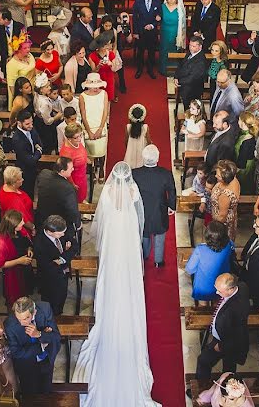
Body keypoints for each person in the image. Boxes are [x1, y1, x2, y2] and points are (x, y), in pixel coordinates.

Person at [72, 162, 158, 406]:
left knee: (110, 272)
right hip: (127, 239)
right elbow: (139, 220)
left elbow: (100, 222)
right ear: (128, 178)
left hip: (113, 239)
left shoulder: (108, 193)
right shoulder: (133, 192)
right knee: (128, 275)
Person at [195, 273, 250, 381]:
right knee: (229, 366)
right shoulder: (242, 286)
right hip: (223, 335)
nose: (217, 292)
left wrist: (221, 345)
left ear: (231, 289)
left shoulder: (236, 309)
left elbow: (238, 334)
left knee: (205, 361)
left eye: (220, 291)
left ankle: (204, 386)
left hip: (226, 342)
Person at [5, 296, 61, 396]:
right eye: (19, 319)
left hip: (46, 360)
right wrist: (41, 346)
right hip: (26, 366)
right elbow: (16, 352)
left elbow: (56, 337)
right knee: (30, 393)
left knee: (46, 391)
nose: (22, 323)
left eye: (26, 318)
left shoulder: (45, 309)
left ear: (34, 312)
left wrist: (39, 334)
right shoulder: (10, 324)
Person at [132, 144, 177, 267]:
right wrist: (171, 206)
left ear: (143, 158)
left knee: (145, 234)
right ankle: (158, 261)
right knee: (160, 236)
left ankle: (145, 256)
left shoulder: (135, 174)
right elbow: (172, 191)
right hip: (159, 210)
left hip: (142, 210)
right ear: (157, 158)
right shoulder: (166, 174)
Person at [33, 215, 76, 315]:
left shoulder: (60, 230)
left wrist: (63, 258)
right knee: (52, 302)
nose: (64, 234)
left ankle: (59, 311)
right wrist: (66, 254)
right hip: (50, 280)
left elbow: (74, 245)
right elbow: (49, 267)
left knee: (62, 296)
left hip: (63, 274)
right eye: (60, 233)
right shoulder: (39, 244)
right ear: (49, 232)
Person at [185, 221, 234, 304]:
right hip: (222, 284)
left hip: (204, 286)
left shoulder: (200, 249)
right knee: (217, 305)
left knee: (203, 306)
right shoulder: (229, 244)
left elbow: (190, 269)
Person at [0, 210, 34, 309]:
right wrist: (19, 261)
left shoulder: (19, 231)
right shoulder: (1, 242)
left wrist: (29, 249)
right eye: (20, 222)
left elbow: (26, 243)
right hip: (13, 273)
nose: (23, 223)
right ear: (12, 226)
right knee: (15, 296)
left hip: (24, 268)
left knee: (25, 290)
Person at [36, 157, 81, 238]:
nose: (73, 169)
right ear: (63, 171)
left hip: (42, 215)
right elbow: (72, 211)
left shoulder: (44, 173)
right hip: (58, 221)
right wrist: (77, 225)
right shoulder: (68, 188)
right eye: (71, 168)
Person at [132, 0, 163, 79]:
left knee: (151, 52)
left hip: (152, 32)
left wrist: (152, 25)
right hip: (141, 31)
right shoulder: (138, 2)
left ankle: (150, 70)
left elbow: (159, 17)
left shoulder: (157, 2)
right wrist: (135, 32)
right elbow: (134, 18)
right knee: (140, 52)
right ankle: (139, 69)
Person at [79, 73, 110, 171]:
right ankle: (93, 166)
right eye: (93, 87)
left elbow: (105, 112)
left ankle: (101, 169)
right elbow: (83, 115)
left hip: (100, 125)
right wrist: (88, 131)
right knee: (91, 151)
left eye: (97, 86)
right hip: (89, 126)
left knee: (101, 150)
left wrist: (100, 128)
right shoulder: (82, 96)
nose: (96, 89)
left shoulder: (104, 94)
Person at [11, 110, 43, 198]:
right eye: (27, 124)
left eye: (31, 122)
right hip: (25, 171)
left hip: (33, 167)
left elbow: (40, 142)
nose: (31, 126)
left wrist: (37, 150)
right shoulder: (17, 139)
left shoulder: (30, 128)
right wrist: (38, 151)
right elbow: (30, 161)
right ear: (19, 123)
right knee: (28, 193)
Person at [173, 34, 208, 110]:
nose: (191, 48)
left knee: (189, 108)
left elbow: (192, 78)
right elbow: (181, 65)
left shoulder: (201, 61)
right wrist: (176, 76)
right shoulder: (190, 52)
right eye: (190, 45)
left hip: (192, 90)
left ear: (200, 47)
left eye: (194, 46)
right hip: (185, 85)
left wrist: (179, 82)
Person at [160, 0, 187, 74]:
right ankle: (163, 69)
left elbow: (183, 24)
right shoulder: (162, 7)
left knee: (174, 49)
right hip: (164, 32)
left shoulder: (180, 9)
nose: (171, 1)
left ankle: (174, 70)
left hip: (176, 32)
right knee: (164, 49)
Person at [211, 160, 241, 241]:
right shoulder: (234, 179)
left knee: (221, 243)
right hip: (232, 216)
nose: (216, 176)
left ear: (226, 178)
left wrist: (213, 227)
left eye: (219, 175)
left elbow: (222, 217)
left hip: (222, 224)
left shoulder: (225, 195)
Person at [59, 125, 90, 202]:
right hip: (75, 179)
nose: (79, 139)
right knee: (76, 199)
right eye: (76, 137)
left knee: (83, 196)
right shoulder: (66, 153)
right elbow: (66, 172)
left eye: (80, 135)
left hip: (82, 175)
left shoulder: (75, 142)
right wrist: (72, 184)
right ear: (69, 139)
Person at [33, 72, 62, 152]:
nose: (50, 88)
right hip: (44, 126)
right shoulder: (44, 103)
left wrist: (54, 109)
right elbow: (48, 121)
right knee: (47, 144)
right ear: (41, 89)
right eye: (47, 87)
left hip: (39, 119)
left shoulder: (37, 94)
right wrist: (58, 116)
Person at [5, 39, 36, 111]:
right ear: (18, 50)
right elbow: (11, 85)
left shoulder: (30, 55)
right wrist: (19, 99)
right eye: (25, 48)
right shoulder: (12, 64)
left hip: (32, 88)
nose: (28, 50)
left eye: (29, 47)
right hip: (22, 92)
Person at [89, 32, 119, 102]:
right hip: (98, 81)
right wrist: (98, 66)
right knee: (98, 100)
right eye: (105, 45)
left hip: (109, 80)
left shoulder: (111, 54)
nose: (107, 47)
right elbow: (92, 72)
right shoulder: (92, 56)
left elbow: (114, 69)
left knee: (108, 100)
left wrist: (111, 64)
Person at [235, 111, 259, 193]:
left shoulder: (247, 141)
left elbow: (242, 162)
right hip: (242, 162)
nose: (238, 121)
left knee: (243, 185)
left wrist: (234, 172)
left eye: (239, 120)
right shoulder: (244, 133)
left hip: (244, 167)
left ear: (242, 122)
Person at [124, 103, 150, 168]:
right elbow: (148, 141)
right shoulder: (145, 127)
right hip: (141, 151)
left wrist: (128, 147)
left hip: (130, 151)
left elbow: (126, 140)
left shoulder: (128, 127)